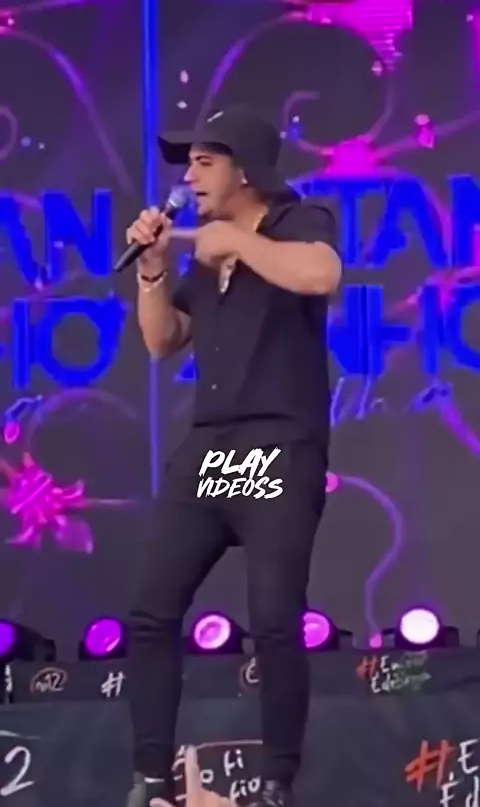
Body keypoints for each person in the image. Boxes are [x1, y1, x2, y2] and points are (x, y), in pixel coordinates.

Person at [126, 105, 342, 807]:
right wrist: (153, 272)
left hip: (277, 444)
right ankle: (151, 778)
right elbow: (162, 340)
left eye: (203, 162)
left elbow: (321, 275)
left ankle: (277, 781)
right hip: (212, 446)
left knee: (274, 616)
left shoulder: (299, 221)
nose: (188, 177)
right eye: (187, 164)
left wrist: (239, 244)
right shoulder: (205, 252)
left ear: (245, 170)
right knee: (151, 611)